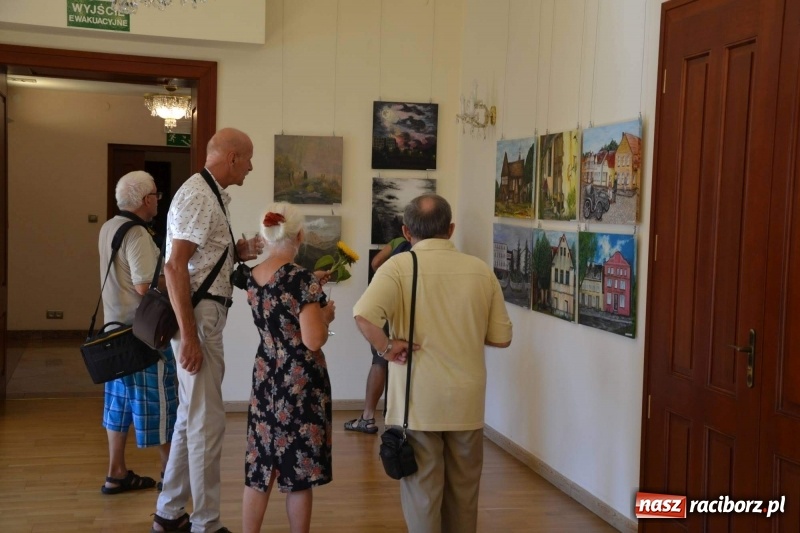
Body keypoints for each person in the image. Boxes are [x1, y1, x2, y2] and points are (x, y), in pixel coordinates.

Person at [353, 193, 513, 533]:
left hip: (418, 403)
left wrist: (387, 348)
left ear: (406, 232)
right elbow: (501, 338)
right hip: (467, 402)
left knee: (423, 497)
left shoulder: (399, 266)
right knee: (465, 496)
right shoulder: (480, 271)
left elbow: (363, 316)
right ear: (450, 229)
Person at [152, 128, 258, 533]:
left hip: (203, 317)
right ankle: (206, 524)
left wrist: (236, 252)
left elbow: (197, 262)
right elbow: (175, 266)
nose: (251, 167)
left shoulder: (207, 193)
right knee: (207, 425)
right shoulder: (199, 195)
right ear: (231, 157)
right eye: (248, 159)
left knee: (190, 419)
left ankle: (169, 512)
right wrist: (190, 336)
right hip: (199, 320)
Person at [241, 202, 336, 533]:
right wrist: (325, 314)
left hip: (266, 373)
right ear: (300, 235)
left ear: (266, 237)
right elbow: (313, 340)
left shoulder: (253, 277)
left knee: (261, 464)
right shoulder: (302, 279)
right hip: (299, 382)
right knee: (298, 470)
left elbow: (278, 304)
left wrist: (312, 287)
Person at [98, 171, 178, 495]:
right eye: (156, 195)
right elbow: (144, 285)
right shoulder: (137, 233)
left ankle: (116, 472)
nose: (158, 200)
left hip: (113, 331)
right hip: (143, 333)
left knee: (117, 404)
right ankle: (169, 476)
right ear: (147, 200)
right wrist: (175, 280)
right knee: (160, 401)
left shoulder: (108, 227)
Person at [344, 236, 410, 434]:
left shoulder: (400, 241)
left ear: (407, 229)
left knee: (380, 360)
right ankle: (400, 419)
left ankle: (368, 417)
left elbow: (376, 263)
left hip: (390, 306)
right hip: (415, 310)